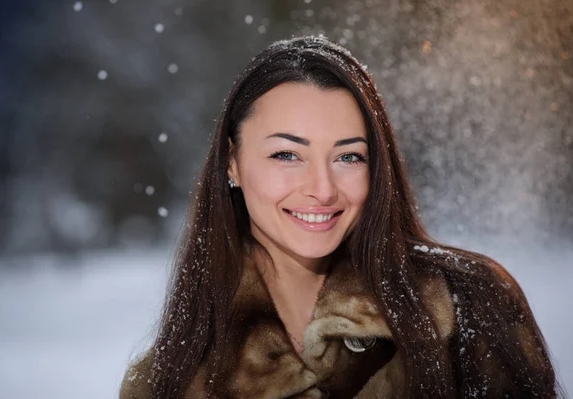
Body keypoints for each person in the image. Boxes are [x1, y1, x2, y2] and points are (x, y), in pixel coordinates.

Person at [120, 36, 560, 398]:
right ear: (231, 163)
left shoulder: (468, 306)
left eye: (349, 156)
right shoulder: (168, 380)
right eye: (287, 154)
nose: (323, 188)